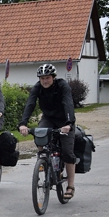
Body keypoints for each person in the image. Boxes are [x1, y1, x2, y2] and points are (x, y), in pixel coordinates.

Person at [18, 64, 76, 199]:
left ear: (53, 78)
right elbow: (30, 104)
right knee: (40, 136)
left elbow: (68, 103)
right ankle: (45, 162)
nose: (45, 81)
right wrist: (23, 124)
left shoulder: (62, 86)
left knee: (67, 152)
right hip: (48, 118)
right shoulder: (37, 87)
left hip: (64, 120)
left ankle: (71, 186)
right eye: (42, 78)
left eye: (48, 78)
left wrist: (69, 123)